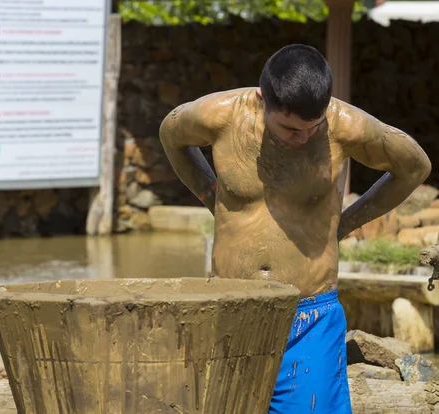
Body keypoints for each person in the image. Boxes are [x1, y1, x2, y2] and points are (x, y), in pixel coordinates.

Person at [159, 44, 432, 413]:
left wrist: (347, 222)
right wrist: (211, 195)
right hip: (229, 309)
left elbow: (415, 166)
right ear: (261, 100)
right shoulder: (219, 115)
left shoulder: (346, 125)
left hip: (309, 315)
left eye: (312, 127)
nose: (302, 138)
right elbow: (170, 134)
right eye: (289, 128)